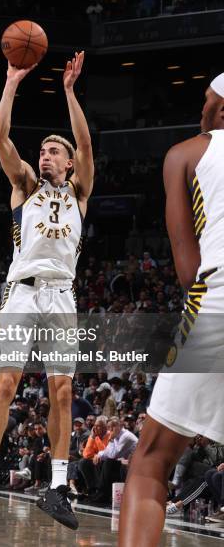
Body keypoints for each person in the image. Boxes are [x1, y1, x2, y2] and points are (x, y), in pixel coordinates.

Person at [0, 51, 94, 531]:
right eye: (41, 150)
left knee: (62, 391)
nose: (44, 155)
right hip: (22, 292)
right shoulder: (24, 184)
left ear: (67, 162)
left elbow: (85, 143)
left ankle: (59, 487)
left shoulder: (80, 192)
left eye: (52, 151)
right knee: (7, 382)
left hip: (63, 294)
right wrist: (10, 83)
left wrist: (68, 92)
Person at [119, 72, 224, 546]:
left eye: (207, 100)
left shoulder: (186, 153)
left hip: (218, 299)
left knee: (151, 461)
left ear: (221, 110)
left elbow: (188, 272)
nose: (201, 108)